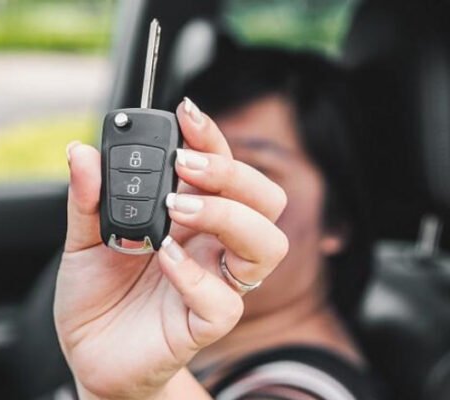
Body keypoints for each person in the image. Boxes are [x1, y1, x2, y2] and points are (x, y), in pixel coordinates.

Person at [55, 42, 378, 399]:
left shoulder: (301, 389)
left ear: (336, 222)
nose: (205, 191)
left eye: (256, 170)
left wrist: (140, 394)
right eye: (187, 162)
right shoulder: (173, 340)